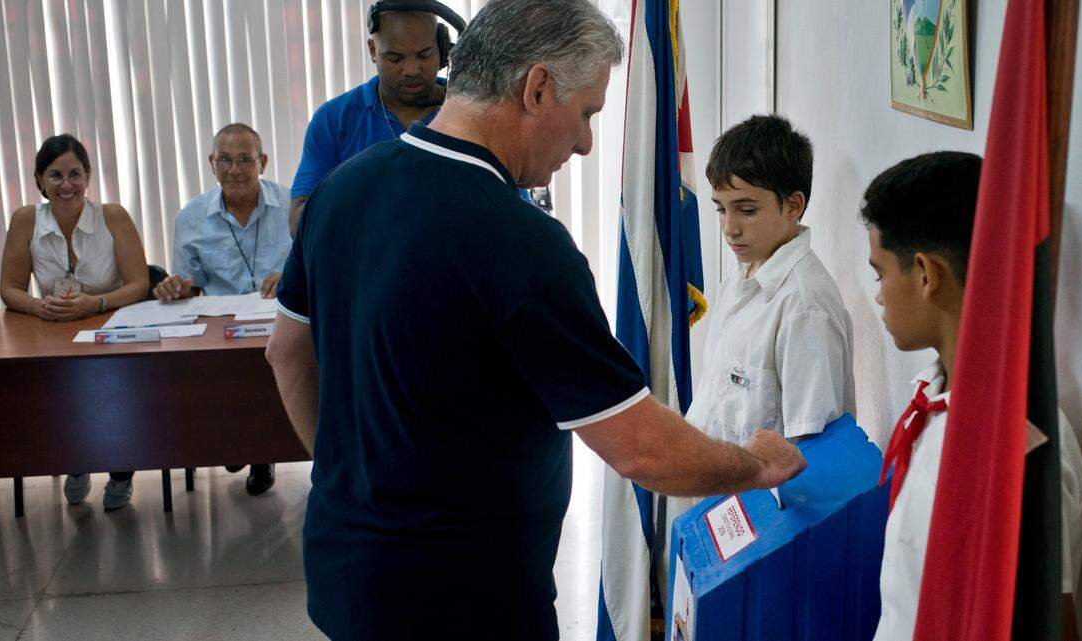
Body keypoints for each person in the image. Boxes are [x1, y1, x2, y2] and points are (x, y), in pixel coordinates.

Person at [265, 1, 806, 638]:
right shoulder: (522, 243)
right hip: (465, 602)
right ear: (537, 87)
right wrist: (757, 465)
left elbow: (286, 352)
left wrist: (342, 474)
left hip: (346, 575)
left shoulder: (340, 190)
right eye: (586, 114)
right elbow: (640, 449)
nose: (585, 142)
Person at [862, 151, 1082, 641]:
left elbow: (1050, 623)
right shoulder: (935, 397)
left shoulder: (1016, 450)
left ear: (926, 273)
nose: (878, 294)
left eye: (880, 273)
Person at [0, 134, 149, 511]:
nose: (66, 185)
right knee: (61, 391)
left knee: (115, 389)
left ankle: (120, 469)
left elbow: (139, 283)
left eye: (74, 174)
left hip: (113, 324)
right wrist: (37, 307)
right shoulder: (26, 220)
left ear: (88, 177)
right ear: (40, 180)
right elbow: (9, 288)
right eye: (55, 175)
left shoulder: (112, 216)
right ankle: (76, 459)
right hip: (55, 329)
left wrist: (95, 303)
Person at [687, 115, 855, 446]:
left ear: (793, 205)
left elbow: (809, 457)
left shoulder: (804, 308)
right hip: (713, 493)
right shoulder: (741, 273)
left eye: (746, 210)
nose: (730, 228)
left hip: (759, 498)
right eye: (721, 209)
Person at [152, 123, 291, 496]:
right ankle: (238, 440)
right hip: (219, 329)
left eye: (245, 159)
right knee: (224, 380)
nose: (235, 170)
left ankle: (262, 453)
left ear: (262, 162)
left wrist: (292, 277)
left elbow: (317, 264)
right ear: (212, 164)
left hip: (278, 321)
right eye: (225, 160)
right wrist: (175, 288)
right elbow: (189, 287)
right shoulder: (192, 217)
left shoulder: (292, 207)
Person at [288, 0, 460, 235]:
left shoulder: (472, 114)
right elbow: (299, 222)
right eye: (395, 58)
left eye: (423, 55)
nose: (411, 69)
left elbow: (513, 209)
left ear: (443, 49)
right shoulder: (334, 120)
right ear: (373, 51)